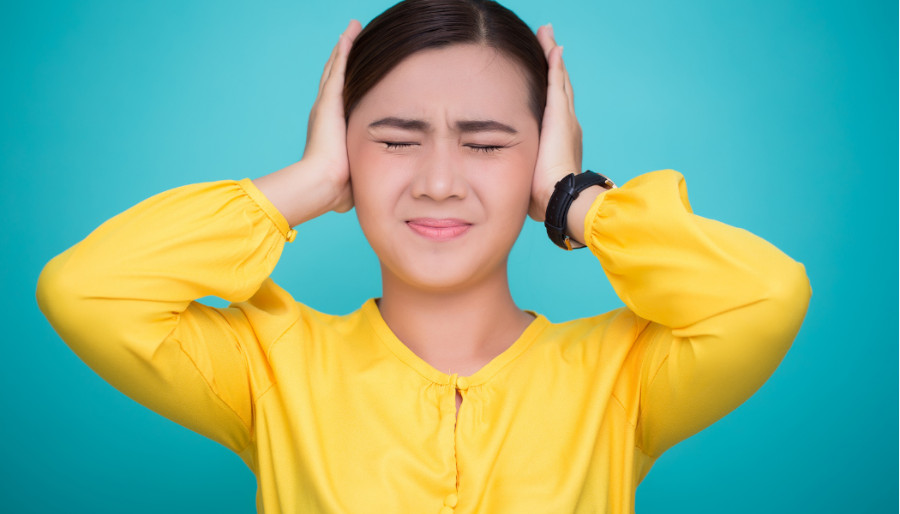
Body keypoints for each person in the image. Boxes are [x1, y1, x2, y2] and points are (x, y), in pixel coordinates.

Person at [35, 0, 811, 512]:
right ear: (346, 149)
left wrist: (577, 200)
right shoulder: (269, 367)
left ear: (539, 158)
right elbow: (87, 290)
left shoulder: (623, 376)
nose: (439, 181)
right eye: (396, 141)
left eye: (486, 143)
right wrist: (307, 183)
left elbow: (766, 295)